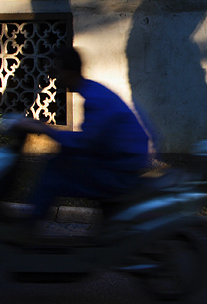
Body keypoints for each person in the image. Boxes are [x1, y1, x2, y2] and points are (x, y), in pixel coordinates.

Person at [17, 46, 150, 226]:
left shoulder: (95, 99)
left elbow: (85, 142)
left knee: (52, 172)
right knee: (62, 158)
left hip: (119, 170)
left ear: (68, 71)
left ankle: (28, 230)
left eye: (57, 71)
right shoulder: (93, 91)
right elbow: (90, 141)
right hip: (117, 162)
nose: (54, 77)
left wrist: (46, 130)